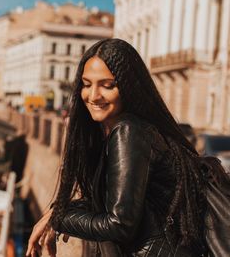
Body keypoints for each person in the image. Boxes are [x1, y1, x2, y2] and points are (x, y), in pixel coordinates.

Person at [26, 39, 230, 257]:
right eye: (86, 84)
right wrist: (60, 209)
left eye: (107, 85)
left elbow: (120, 223)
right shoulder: (135, 129)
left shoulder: (128, 131)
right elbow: (122, 199)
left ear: (127, 87)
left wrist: (59, 218)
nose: (93, 95)